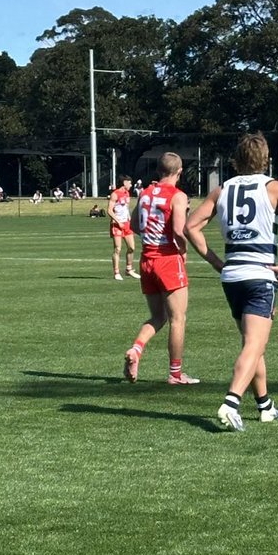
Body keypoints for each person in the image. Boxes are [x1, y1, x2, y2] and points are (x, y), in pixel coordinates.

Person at [185, 132, 278, 432]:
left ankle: (265, 406)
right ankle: (231, 403)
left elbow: (190, 227)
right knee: (255, 343)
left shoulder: (222, 190)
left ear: (236, 160)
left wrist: (217, 263)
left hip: (232, 276)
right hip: (260, 273)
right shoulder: (276, 188)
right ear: (266, 159)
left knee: (253, 344)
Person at [124, 153, 214, 386]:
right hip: (167, 259)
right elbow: (178, 230)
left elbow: (134, 225)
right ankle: (175, 373)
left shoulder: (144, 194)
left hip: (146, 260)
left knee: (158, 316)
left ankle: (136, 349)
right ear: (179, 171)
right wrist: (183, 250)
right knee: (177, 319)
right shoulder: (178, 196)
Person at [108, 175, 139, 281]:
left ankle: (129, 269)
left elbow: (125, 207)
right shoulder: (115, 194)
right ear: (124, 182)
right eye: (129, 183)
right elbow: (109, 210)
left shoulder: (127, 193)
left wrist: (129, 218)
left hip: (126, 224)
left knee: (132, 247)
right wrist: (118, 221)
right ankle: (116, 272)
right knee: (118, 249)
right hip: (117, 225)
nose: (131, 185)